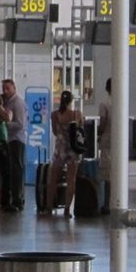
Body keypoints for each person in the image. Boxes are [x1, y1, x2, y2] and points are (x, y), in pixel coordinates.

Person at [44, 90, 84, 218]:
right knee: (71, 180)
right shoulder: (77, 114)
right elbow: (81, 130)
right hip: (73, 149)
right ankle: (67, 209)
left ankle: (49, 207)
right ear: (71, 101)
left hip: (60, 149)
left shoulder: (54, 115)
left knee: (53, 178)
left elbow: (55, 132)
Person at [1, 78, 27, 211]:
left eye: (8, 88)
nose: (5, 91)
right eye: (4, 88)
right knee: (13, 170)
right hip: (10, 140)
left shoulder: (18, 103)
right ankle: (14, 198)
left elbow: (21, 124)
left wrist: (6, 124)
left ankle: (18, 199)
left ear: (14, 88)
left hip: (17, 140)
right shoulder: (8, 103)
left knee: (17, 170)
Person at [97, 78, 113, 214]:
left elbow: (102, 123)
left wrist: (98, 133)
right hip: (120, 143)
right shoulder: (121, 103)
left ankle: (107, 204)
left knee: (107, 175)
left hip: (107, 141)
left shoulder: (104, 104)